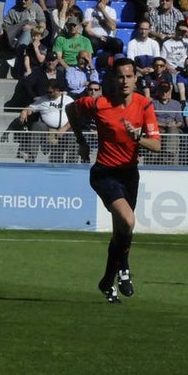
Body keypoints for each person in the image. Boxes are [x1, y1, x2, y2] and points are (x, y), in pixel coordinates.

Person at [68, 57, 161, 303]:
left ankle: (107, 282)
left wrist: (137, 136)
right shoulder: (100, 104)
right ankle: (124, 269)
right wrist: (81, 140)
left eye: (129, 76)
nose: (124, 81)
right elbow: (71, 109)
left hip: (129, 173)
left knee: (122, 230)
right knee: (128, 220)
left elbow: (157, 145)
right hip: (104, 172)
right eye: (120, 76)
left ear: (135, 78)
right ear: (113, 79)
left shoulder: (144, 105)